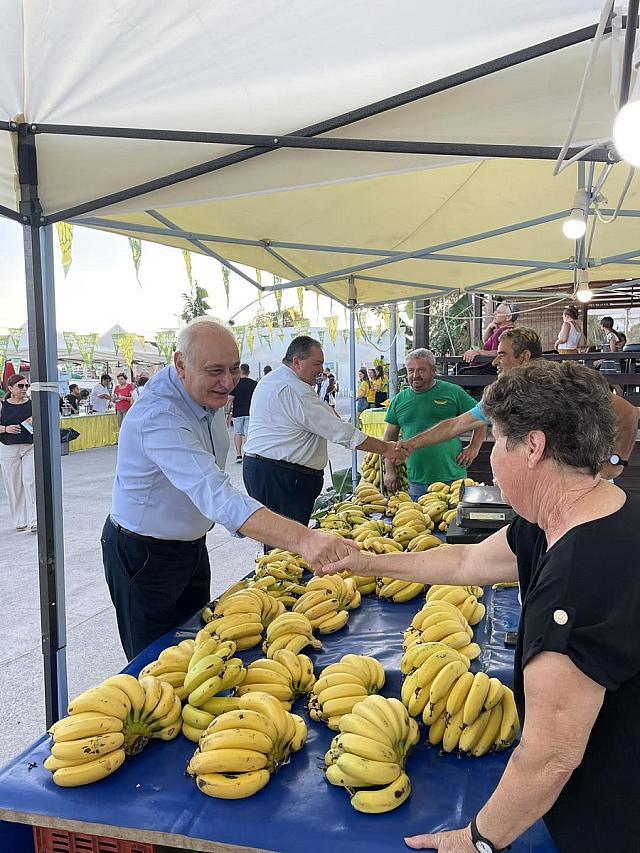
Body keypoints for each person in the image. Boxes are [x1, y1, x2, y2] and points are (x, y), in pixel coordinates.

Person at [319, 359, 640, 853]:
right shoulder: (571, 515)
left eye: (494, 440)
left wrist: (479, 839)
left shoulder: (574, 583)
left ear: (532, 447)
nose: (488, 457)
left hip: (612, 815)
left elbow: (550, 757)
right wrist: (367, 562)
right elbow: (468, 562)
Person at [102, 318, 358, 660]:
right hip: (143, 556)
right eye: (215, 371)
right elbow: (216, 493)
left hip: (190, 547)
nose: (228, 383)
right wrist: (304, 539)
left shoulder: (200, 394)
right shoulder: (159, 416)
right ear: (180, 364)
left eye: (234, 369)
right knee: (156, 664)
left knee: (197, 645)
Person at [404, 328, 637, 482]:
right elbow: (455, 425)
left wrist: (616, 462)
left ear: (524, 357)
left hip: (586, 494)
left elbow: (627, 412)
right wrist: (407, 445)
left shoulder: (565, 381)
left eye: (502, 354)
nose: (495, 361)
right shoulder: (504, 394)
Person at [243, 335, 408, 526]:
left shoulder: (274, 379)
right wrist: (386, 448)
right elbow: (341, 432)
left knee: (279, 539)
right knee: (288, 543)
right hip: (282, 478)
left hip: (269, 471)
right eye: (317, 363)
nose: (321, 370)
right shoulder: (295, 389)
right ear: (297, 362)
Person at [382, 348, 487, 499]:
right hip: (417, 480)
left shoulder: (453, 392)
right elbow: (389, 439)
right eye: (410, 370)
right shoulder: (399, 400)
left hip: (453, 477)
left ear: (433, 370)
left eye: (421, 370)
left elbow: (481, 419)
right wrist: (390, 470)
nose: (415, 375)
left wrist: (474, 448)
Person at [0, 374, 36, 532]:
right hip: (8, 448)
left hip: (30, 447)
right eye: (20, 386)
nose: (24, 389)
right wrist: (6, 429)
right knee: (14, 485)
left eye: (26, 386)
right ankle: (20, 520)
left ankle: (35, 520)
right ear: (10, 389)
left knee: (31, 482)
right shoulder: (2, 405)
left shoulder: (33, 404)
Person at [461, 301, 518, 370]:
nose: (494, 313)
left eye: (498, 312)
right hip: (486, 366)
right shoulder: (500, 330)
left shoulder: (507, 332)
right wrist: (489, 328)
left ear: (508, 317)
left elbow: (501, 352)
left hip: (489, 368)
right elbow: (486, 343)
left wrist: (478, 352)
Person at [226, 363, 257, 462]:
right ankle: (247, 453)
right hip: (249, 412)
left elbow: (230, 399)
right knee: (248, 433)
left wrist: (228, 413)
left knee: (238, 433)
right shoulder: (254, 384)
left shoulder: (235, 384)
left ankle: (238, 455)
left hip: (238, 412)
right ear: (248, 372)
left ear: (240, 371)